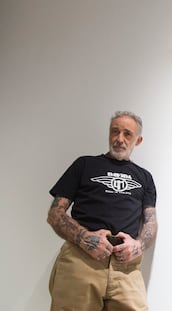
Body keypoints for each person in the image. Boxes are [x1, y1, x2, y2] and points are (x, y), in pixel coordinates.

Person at [47, 111, 157, 311]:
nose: (119, 139)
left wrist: (138, 246)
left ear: (138, 140)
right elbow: (55, 214)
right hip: (82, 260)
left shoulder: (145, 177)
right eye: (114, 132)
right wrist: (84, 238)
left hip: (126, 267)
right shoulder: (85, 164)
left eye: (127, 134)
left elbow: (150, 221)